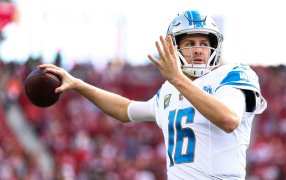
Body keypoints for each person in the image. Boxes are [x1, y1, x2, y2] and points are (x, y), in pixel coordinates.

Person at [39, 10, 267, 180]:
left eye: (204, 43)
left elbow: (229, 119)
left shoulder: (233, 74)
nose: (198, 49)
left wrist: (177, 79)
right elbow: (124, 110)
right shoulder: (168, 91)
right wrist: (78, 84)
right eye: (190, 43)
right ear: (174, 49)